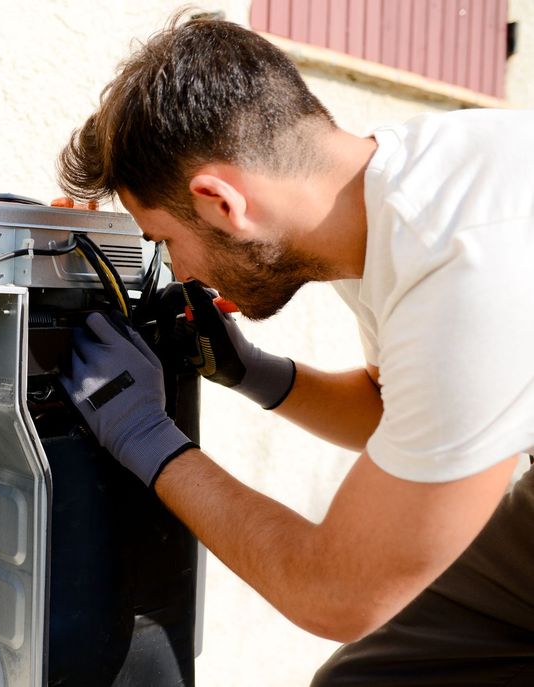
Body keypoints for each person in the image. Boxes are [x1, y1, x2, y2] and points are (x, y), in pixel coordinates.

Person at [56, 12, 534, 686]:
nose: (180, 272)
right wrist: (255, 373)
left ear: (221, 202)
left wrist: (148, 438)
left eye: (164, 240)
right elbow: (404, 413)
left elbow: (338, 592)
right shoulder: (387, 199)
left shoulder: (467, 269)